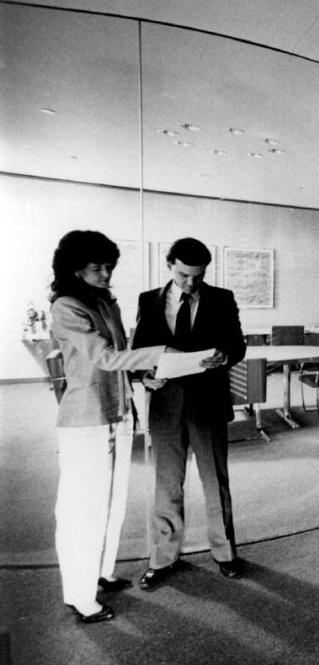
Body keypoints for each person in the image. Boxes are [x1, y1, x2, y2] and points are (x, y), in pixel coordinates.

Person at [48, 230, 170, 623]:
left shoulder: (106, 302)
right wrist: (159, 354)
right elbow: (105, 356)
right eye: (97, 268)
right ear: (75, 269)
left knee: (113, 505)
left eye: (109, 267)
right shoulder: (66, 307)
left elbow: (124, 359)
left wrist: (148, 374)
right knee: (82, 511)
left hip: (118, 414)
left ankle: (101, 571)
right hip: (86, 420)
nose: (106, 274)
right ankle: (81, 597)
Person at [132, 237, 247, 590]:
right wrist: (144, 375)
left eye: (198, 276)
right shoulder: (148, 300)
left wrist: (225, 356)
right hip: (166, 405)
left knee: (216, 482)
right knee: (166, 485)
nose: (191, 283)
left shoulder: (222, 298)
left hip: (207, 404)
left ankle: (225, 553)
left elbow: (237, 344)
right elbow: (139, 351)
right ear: (170, 266)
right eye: (183, 275)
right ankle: (163, 558)